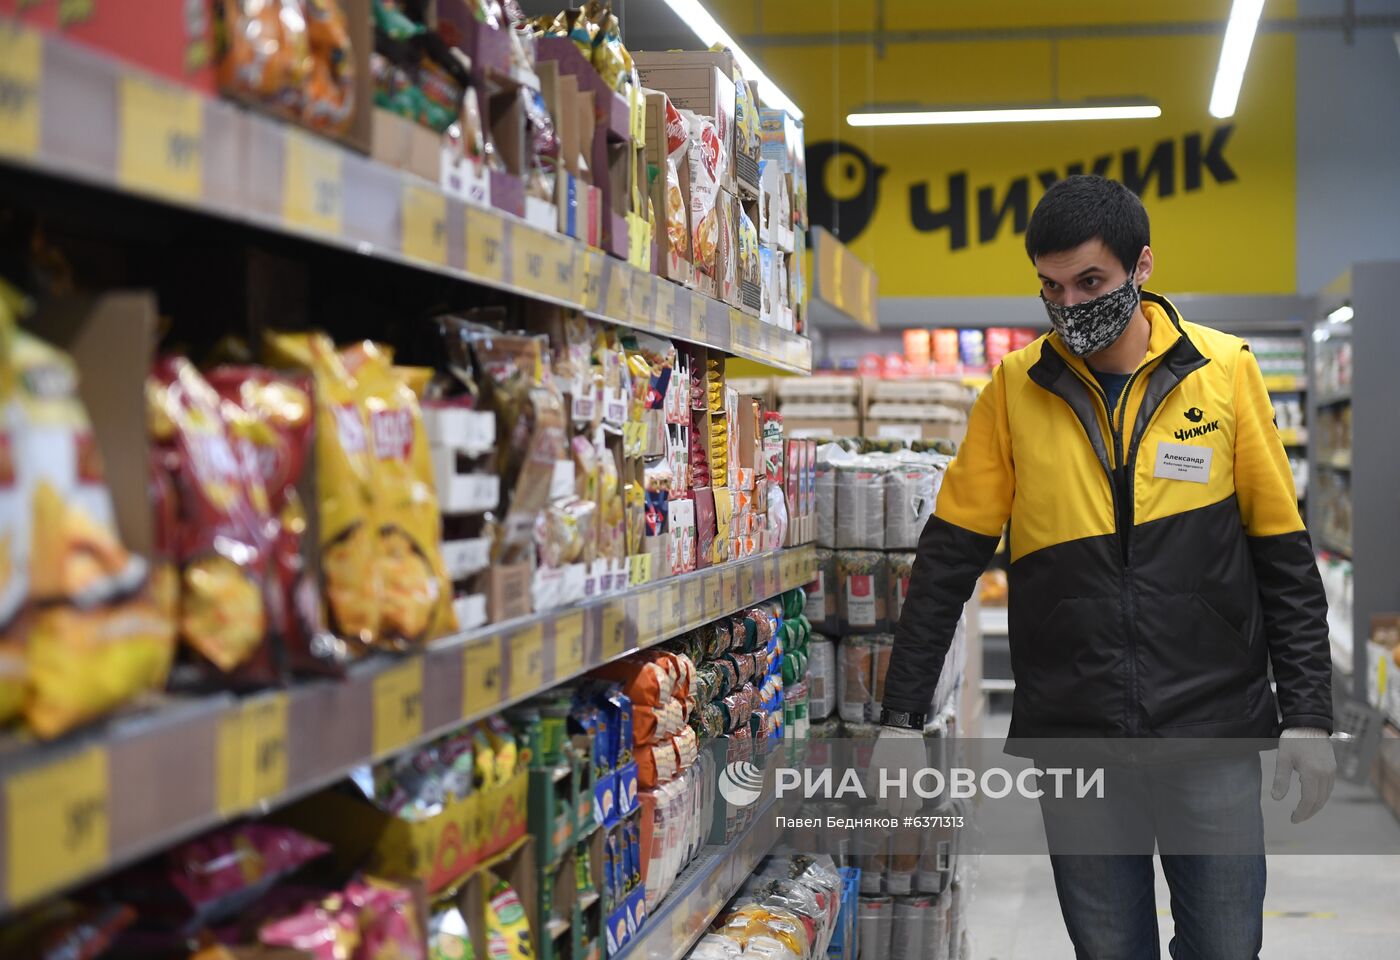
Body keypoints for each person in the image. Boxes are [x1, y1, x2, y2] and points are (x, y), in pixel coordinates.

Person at [871, 175, 1336, 959]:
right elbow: (948, 560)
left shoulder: (1222, 372)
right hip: (1074, 732)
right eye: (1051, 287)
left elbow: (1282, 558)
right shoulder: (1014, 391)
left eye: (1091, 282)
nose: (1071, 304)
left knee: (1226, 946)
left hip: (1211, 727)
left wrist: (1310, 715)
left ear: (1141, 267)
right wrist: (899, 717)